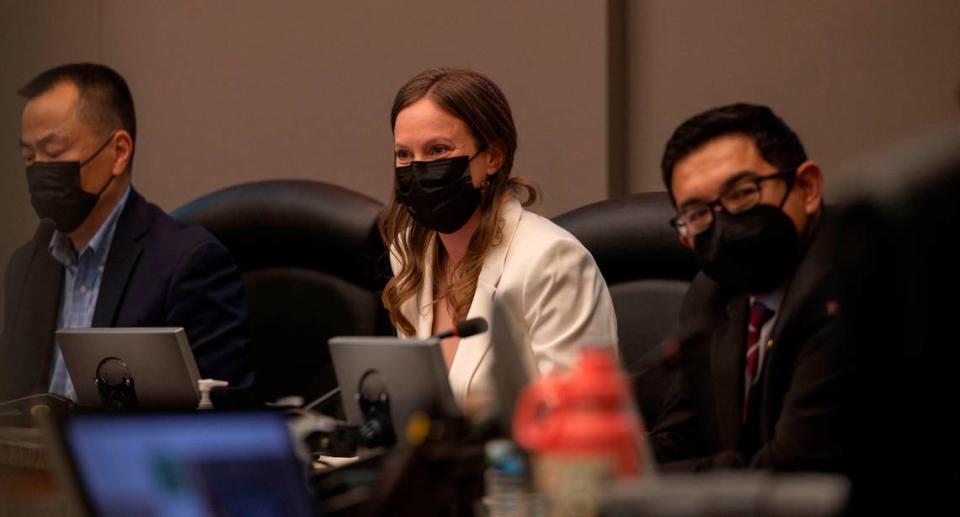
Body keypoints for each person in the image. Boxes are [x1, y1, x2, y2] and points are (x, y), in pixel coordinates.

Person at [1, 63, 253, 405]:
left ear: (119, 152)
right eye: (29, 157)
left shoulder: (187, 264)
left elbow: (220, 418)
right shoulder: (28, 266)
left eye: (54, 151)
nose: (39, 169)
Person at [380, 68, 618, 412]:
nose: (418, 170)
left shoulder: (551, 259)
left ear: (492, 156)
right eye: (404, 155)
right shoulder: (410, 254)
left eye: (438, 150)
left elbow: (579, 420)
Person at [649, 103, 853, 471]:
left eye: (743, 193)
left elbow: (791, 472)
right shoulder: (712, 293)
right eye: (697, 214)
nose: (724, 225)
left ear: (807, 187)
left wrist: (637, 485)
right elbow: (679, 440)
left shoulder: (849, 283)